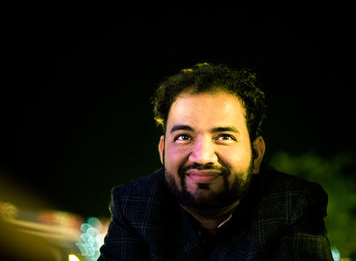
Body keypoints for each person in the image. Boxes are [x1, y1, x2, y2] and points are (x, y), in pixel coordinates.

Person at [98, 63, 334, 260]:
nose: (202, 157)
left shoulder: (293, 205)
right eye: (183, 137)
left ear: (256, 154)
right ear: (162, 151)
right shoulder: (133, 205)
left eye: (224, 137)